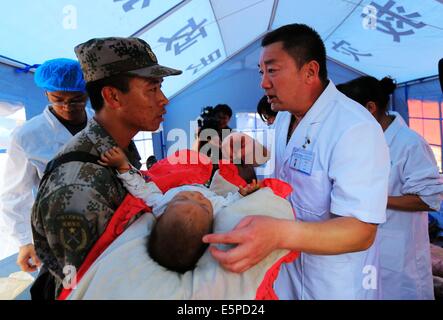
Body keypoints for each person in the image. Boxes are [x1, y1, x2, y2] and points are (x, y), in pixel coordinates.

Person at [203, 23, 391, 300]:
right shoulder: (284, 116)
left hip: (332, 283)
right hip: (287, 272)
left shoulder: (354, 128)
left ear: (310, 71)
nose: (263, 82)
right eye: (261, 72)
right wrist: (257, 152)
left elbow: (361, 231)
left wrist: (279, 233)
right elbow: (293, 165)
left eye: (272, 70)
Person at [31, 37, 182, 299]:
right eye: (151, 89)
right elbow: (84, 287)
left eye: (161, 87)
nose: (164, 100)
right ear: (112, 96)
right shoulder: (78, 186)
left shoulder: (118, 151)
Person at [337, 76, 443, 300]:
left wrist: (378, 199)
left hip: (400, 258)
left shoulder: (409, 143)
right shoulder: (360, 141)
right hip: (367, 252)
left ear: (370, 108)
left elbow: (429, 199)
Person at [97, 146, 259, 273]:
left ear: (162, 214)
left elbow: (142, 188)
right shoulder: (217, 210)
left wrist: (122, 166)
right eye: (203, 205)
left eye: (183, 198)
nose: (196, 196)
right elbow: (232, 203)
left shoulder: (160, 205)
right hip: (209, 186)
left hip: (180, 180)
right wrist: (243, 194)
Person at [0, 58, 92, 274]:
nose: (67, 106)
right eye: (58, 99)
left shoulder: (101, 124)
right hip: (59, 232)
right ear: (46, 95)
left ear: (87, 93)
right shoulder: (27, 136)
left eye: (76, 99)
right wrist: (24, 241)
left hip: (107, 224)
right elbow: (14, 193)